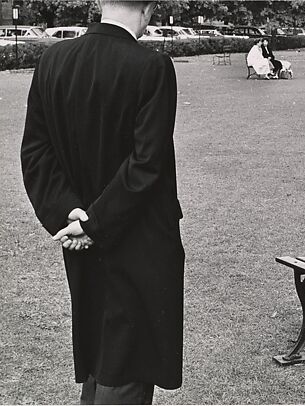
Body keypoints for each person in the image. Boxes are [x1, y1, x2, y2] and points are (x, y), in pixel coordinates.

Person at [20, 1, 185, 404]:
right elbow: (147, 164)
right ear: (148, 9)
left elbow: (36, 152)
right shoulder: (152, 66)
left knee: (101, 348)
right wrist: (91, 222)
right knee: (127, 357)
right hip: (136, 237)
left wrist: (69, 212)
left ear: (99, 4)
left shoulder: (53, 60)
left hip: (83, 232)